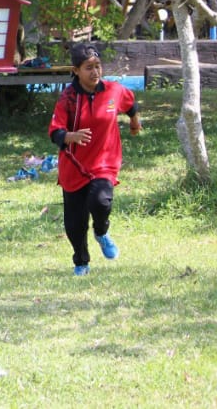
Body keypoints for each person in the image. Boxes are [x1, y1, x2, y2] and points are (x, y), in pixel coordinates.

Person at [48, 43, 141, 276]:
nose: (95, 72)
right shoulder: (67, 98)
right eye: (88, 67)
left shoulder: (113, 90)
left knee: (101, 202)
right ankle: (81, 262)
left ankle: (101, 232)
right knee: (75, 224)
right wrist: (71, 136)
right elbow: (55, 131)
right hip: (74, 166)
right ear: (76, 70)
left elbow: (130, 103)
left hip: (104, 163)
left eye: (98, 66)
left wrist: (135, 121)